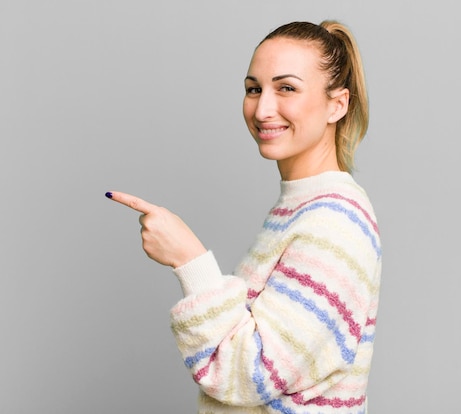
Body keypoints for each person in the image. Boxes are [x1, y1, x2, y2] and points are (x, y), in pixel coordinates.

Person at [106, 20, 381, 414]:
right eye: (254, 89)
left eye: (286, 88)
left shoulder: (333, 222)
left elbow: (249, 373)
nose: (263, 108)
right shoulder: (300, 207)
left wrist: (191, 261)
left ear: (338, 104)